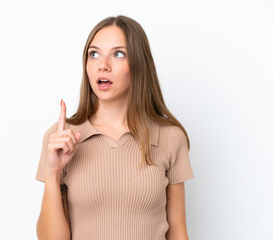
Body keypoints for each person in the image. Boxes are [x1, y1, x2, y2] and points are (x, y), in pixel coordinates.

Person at [35, 15, 194, 240]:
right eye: (94, 54)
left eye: (118, 54)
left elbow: (178, 233)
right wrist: (52, 173)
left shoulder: (169, 138)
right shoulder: (61, 138)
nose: (103, 65)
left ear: (139, 64)